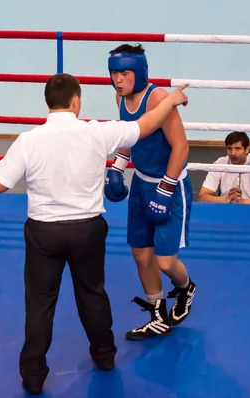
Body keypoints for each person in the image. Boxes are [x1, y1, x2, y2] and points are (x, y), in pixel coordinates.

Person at [0, 73, 189, 395]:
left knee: (40, 304)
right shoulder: (97, 132)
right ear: (76, 100)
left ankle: (34, 376)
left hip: (43, 232)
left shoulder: (29, 139)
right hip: (87, 229)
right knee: (92, 294)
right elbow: (146, 125)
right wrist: (171, 100)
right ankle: (105, 356)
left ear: (48, 103)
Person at [105, 44, 197, 341]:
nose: (118, 80)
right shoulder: (120, 96)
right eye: (114, 73)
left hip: (169, 185)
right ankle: (158, 315)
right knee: (141, 255)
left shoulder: (157, 98)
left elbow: (181, 147)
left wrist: (166, 188)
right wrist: (118, 167)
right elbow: (128, 134)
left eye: (124, 73)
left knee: (165, 262)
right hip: (142, 184)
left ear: (140, 71)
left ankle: (185, 288)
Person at [198, 131, 250, 204]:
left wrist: (243, 201)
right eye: (229, 148)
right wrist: (225, 199)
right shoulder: (219, 164)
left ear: (247, 149)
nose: (233, 153)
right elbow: (202, 197)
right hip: (226, 209)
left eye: (237, 148)